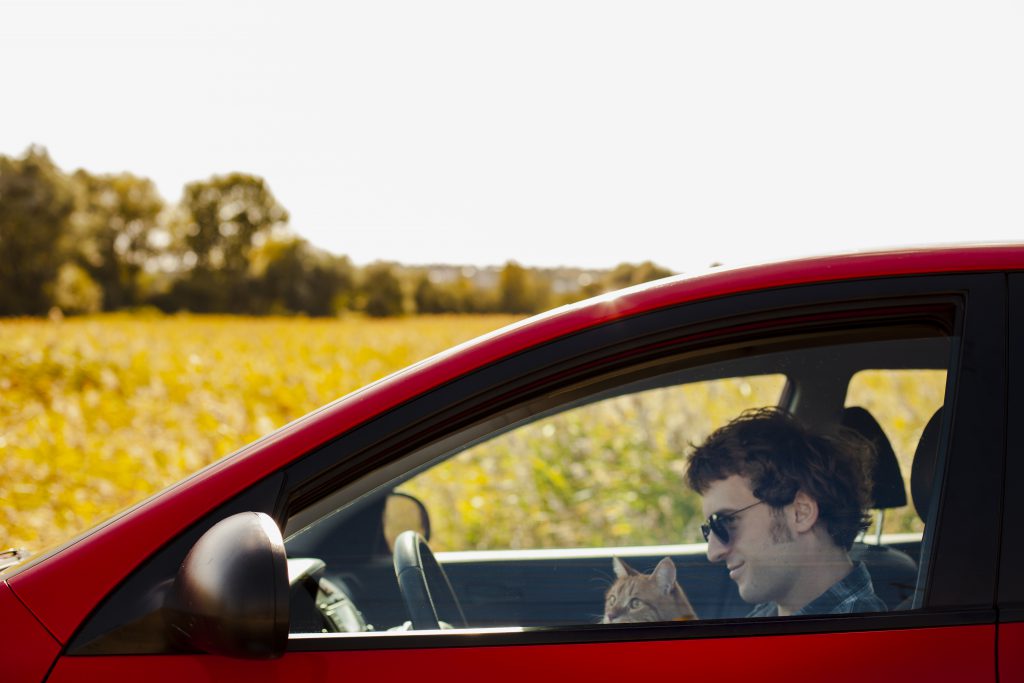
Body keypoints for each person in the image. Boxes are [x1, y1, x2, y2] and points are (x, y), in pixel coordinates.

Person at [685, 407, 886, 617]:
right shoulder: (771, 616)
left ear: (801, 512)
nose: (713, 553)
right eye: (710, 529)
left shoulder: (855, 640)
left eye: (726, 521)